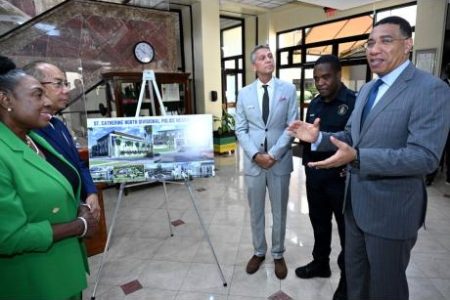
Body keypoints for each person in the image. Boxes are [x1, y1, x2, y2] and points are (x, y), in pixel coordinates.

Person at [288, 16, 450, 300]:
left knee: (386, 289)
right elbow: (350, 135)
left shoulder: (430, 89)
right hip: (355, 207)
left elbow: (425, 157)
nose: (374, 49)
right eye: (371, 42)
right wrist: (319, 138)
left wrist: (359, 158)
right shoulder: (367, 90)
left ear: (408, 45)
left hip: (391, 210)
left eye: (386, 41)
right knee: (356, 282)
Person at [0, 68, 98, 299]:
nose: (47, 102)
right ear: (5, 100)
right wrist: (80, 225)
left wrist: (80, 204)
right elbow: (8, 238)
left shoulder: (32, 138)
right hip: (36, 282)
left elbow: (61, 184)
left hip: (65, 271)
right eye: (37, 94)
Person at [295, 55, 355, 300]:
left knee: (347, 233)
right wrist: (307, 168)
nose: (320, 82)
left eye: (325, 76)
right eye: (316, 78)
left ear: (339, 74)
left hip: (341, 181)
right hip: (316, 179)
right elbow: (309, 142)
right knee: (319, 224)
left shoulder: (353, 103)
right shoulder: (315, 104)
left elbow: (353, 141)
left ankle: (348, 280)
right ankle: (320, 263)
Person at [235, 44, 298, 280]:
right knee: (256, 211)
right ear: (254, 66)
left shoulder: (288, 89)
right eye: (262, 57)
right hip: (254, 163)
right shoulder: (244, 93)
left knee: (280, 210)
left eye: (270, 56)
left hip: (279, 162)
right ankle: (259, 251)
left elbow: (292, 126)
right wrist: (255, 155)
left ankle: (278, 253)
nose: (268, 59)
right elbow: (241, 129)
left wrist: (273, 154)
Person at [23, 62, 100, 220]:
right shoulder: (28, 132)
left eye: (66, 84)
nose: (66, 91)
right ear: (35, 87)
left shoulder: (58, 124)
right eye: (58, 84)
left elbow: (78, 163)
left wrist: (91, 192)